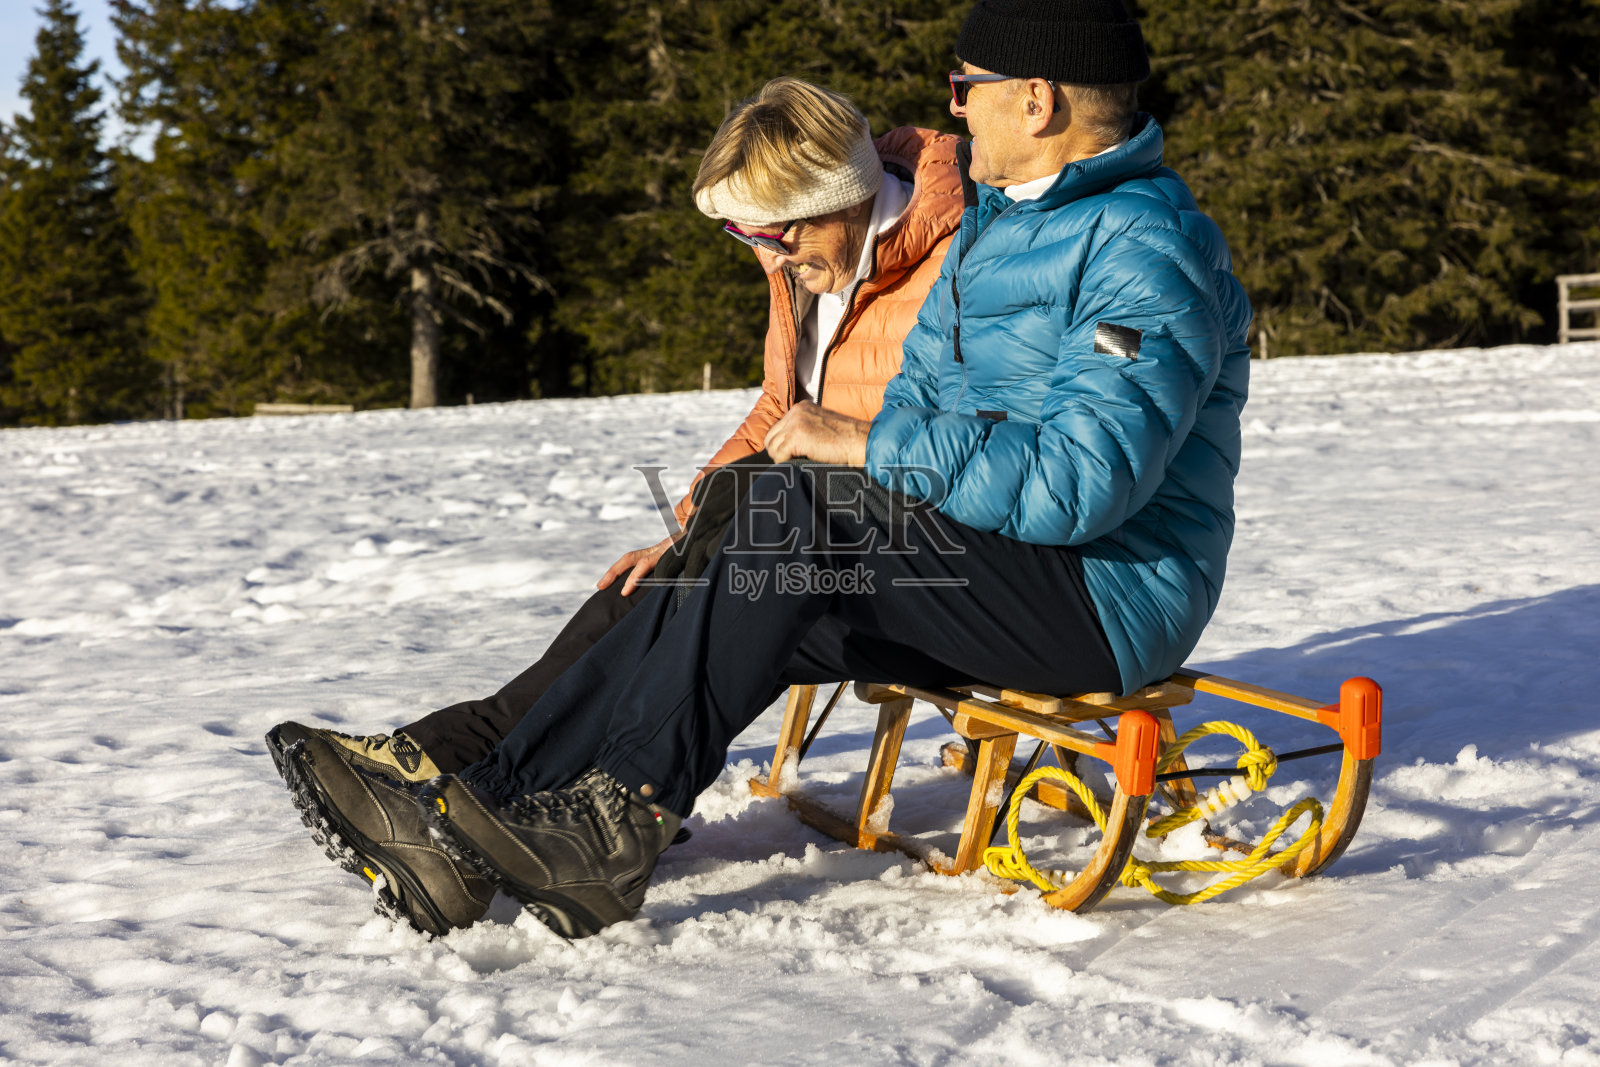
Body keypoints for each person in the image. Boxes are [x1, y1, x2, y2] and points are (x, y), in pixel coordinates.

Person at [405, 0, 1254, 941]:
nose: (956, 111)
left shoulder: (1146, 248)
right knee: (741, 527)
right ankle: (484, 802)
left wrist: (865, 444)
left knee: (798, 512)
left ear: (1037, 99)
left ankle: (614, 820)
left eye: (965, 89)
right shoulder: (994, 232)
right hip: (994, 562)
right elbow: (923, 416)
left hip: (1104, 598)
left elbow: (1082, 486)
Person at [266, 78, 965, 935]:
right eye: (746, 236)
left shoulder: (960, 263)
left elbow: (944, 447)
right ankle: (449, 766)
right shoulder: (808, 259)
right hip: (813, 537)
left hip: (908, 561)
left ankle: (484, 804)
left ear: (843, 198)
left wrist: (739, 529)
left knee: (692, 595)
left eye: (774, 233)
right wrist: (686, 530)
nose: (769, 257)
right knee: (646, 586)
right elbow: (782, 415)